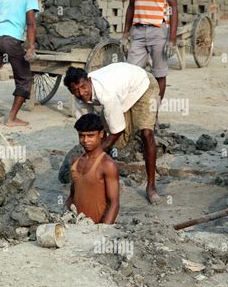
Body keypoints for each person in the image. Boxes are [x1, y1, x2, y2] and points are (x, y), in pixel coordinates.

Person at [63, 63, 162, 205]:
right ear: (71, 92)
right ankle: (101, 180)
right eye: (76, 90)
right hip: (123, 93)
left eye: (84, 87)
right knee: (106, 139)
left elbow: (117, 131)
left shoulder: (106, 94)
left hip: (142, 85)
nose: (82, 93)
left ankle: (151, 187)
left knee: (146, 133)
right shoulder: (79, 99)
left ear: (89, 81)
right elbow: (88, 130)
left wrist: (92, 159)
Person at [121, 0, 178, 109]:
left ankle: (154, 114)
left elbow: (174, 8)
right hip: (138, 32)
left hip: (158, 31)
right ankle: (134, 112)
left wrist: (172, 39)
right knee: (131, 73)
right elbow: (131, 6)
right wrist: (125, 34)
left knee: (159, 74)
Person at [65, 114, 119, 224]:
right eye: (81, 136)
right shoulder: (75, 161)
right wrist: (65, 216)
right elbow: (72, 195)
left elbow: (114, 204)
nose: (85, 140)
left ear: (101, 134)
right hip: (75, 224)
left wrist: (102, 231)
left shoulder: (107, 165)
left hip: (95, 227)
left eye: (90, 136)